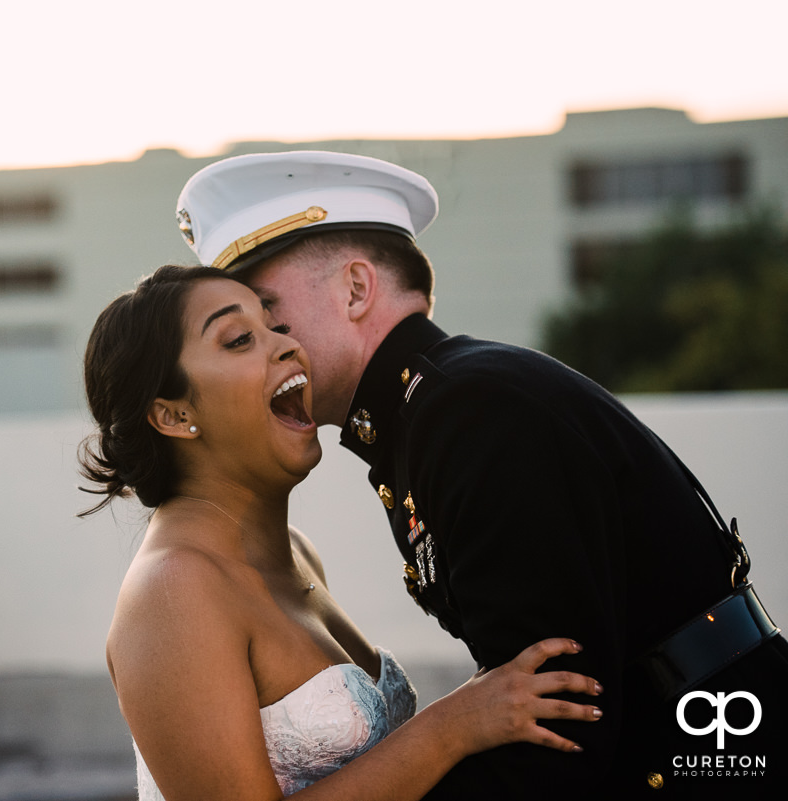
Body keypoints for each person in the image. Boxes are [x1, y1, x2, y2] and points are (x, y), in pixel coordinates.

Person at [172, 150, 788, 799]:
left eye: (269, 310)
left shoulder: (470, 413)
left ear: (356, 289)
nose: (268, 343)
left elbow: (554, 734)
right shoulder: (432, 412)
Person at [80, 264, 604, 800]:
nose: (288, 347)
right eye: (239, 339)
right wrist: (454, 725)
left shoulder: (296, 553)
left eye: (276, 328)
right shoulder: (172, 590)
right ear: (172, 414)